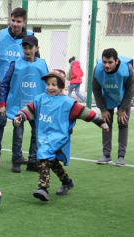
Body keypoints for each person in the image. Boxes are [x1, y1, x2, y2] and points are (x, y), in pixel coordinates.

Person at [14, 69, 109, 201]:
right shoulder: (40, 99)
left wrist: (100, 122)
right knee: (51, 161)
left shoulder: (67, 102)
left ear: (61, 86)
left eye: (54, 84)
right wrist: (20, 117)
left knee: (42, 154)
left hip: (58, 137)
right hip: (44, 137)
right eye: (48, 84)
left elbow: (84, 112)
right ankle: (67, 182)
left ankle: (43, 188)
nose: (50, 87)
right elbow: (29, 110)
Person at [0, 7, 37, 169]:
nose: (15, 24)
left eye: (18, 21)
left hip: (22, 90)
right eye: (13, 20)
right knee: (0, 121)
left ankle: (18, 155)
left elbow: (35, 65)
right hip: (3, 87)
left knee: (20, 121)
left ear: (24, 22)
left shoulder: (30, 39)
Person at [0, 35, 48, 173]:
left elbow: (48, 85)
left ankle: (32, 161)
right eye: (25, 47)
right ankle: (17, 160)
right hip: (18, 107)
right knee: (18, 134)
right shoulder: (15, 64)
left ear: (36, 48)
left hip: (37, 107)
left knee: (36, 134)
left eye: (30, 47)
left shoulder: (42, 64)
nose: (27, 50)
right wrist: (2, 103)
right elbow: (5, 84)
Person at [92, 48, 134, 167]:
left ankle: (121, 156)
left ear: (116, 61)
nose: (106, 65)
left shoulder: (126, 69)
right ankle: (106, 155)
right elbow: (95, 89)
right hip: (107, 96)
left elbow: (131, 89)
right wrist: (103, 110)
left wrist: (122, 109)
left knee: (123, 123)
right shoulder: (97, 70)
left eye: (110, 62)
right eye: (104, 62)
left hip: (123, 96)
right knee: (106, 123)